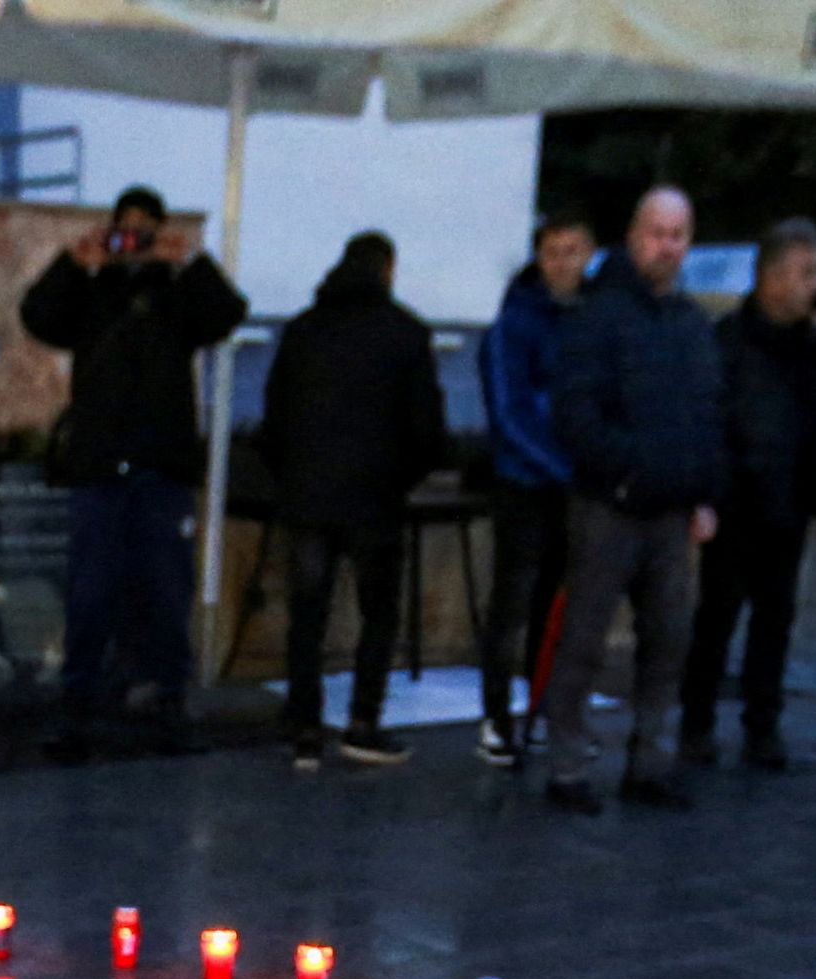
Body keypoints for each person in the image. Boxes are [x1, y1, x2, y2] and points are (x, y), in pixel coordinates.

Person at [21, 187, 247, 758]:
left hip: (161, 469)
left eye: (145, 231)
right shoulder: (93, 294)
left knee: (167, 589)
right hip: (99, 470)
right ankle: (78, 703)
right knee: (90, 591)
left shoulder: (179, 298)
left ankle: (169, 696)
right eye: (126, 229)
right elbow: (38, 316)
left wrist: (188, 262)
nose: (134, 241)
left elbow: (228, 314)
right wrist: (75, 263)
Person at [539, 185, 724, 814]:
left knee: (668, 641)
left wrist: (703, 492)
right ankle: (567, 766)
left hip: (671, 510)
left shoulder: (693, 325)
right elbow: (575, 416)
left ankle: (650, 761)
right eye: (657, 234)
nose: (667, 247)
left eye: (678, 235)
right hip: (610, 506)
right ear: (634, 236)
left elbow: (708, 415)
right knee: (585, 640)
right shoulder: (599, 318)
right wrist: (626, 472)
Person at [257, 230, 448, 771]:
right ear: (388, 268)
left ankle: (304, 725)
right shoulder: (406, 334)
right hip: (375, 501)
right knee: (378, 615)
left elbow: (272, 422)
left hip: (308, 498)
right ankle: (363, 723)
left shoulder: (302, 330)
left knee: (308, 615)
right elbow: (428, 432)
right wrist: (397, 480)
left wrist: (293, 477)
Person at [679, 217, 816, 772]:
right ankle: (697, 724)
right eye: (806, 273)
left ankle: (762, 727)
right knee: (718, 617)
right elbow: (709, 418)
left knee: (775, 620)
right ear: (772, 279)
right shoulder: (729, 340)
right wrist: (709, 493)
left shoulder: (811, 343)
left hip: (789, 500)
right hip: (738, 501)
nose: (815, 285)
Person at [475, 214, 595, 766]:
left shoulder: (596, 317)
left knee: (557, 608)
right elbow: (509, 412)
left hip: (573, 484)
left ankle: (543, 711)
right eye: (553, 250)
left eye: (572, 250)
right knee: (514, 603)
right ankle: (498, 715)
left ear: (588, 253)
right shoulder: (514, 323)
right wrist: (566, 468)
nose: (563, 261)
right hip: (525, 484)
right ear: (540, 254)